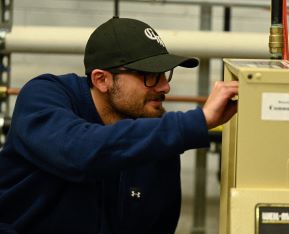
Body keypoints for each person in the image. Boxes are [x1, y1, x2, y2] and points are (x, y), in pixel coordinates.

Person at [0, 17, 238, 234]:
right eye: (150, 76)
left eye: (166, 74)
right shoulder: (43, 97)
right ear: (101, 80)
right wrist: (196, 121)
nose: (165, 87)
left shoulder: (157, 142)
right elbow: (81, 151)